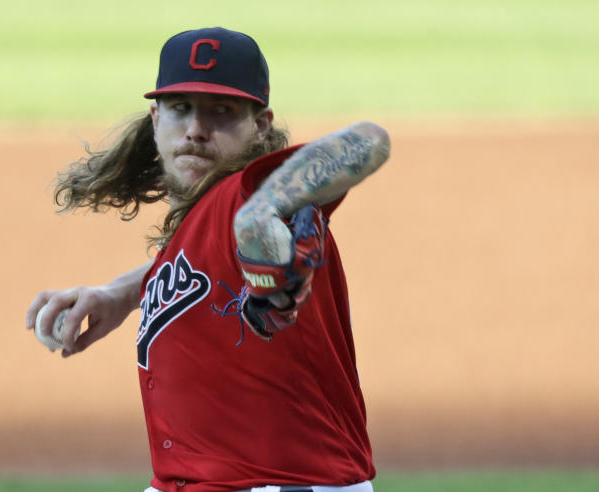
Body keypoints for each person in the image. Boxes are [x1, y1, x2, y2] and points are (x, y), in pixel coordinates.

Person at [26, 27, 389, 492]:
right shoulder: (205, 219)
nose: (196, 130)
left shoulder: (249, 195)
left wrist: (265, 207)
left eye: (222, 112)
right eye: (182, 109)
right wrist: (120, 293)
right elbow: (201, 261)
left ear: (261, 125)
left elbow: (368, 142)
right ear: (155, 119)